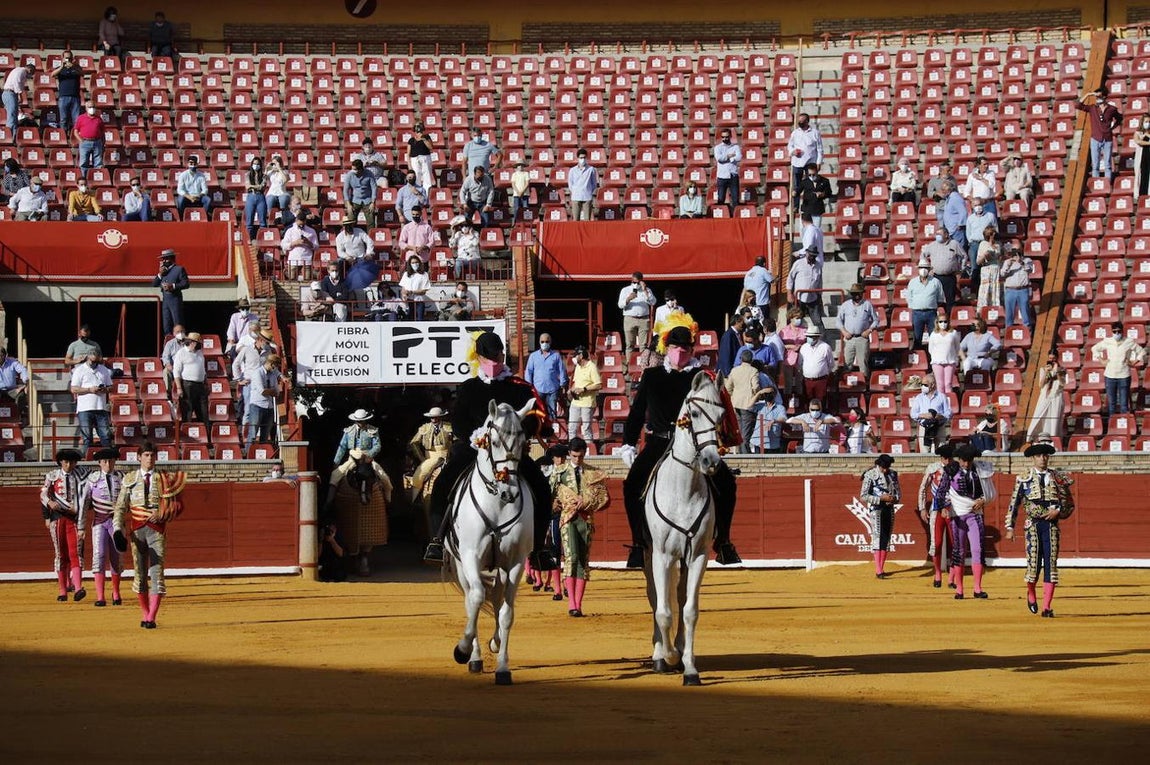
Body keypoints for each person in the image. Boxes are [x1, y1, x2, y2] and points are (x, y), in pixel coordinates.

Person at [423, 331, 559, 571]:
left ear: (503, 356)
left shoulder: (519, 388)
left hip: (510, 452)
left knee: (541, 486)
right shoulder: (468, 388)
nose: (495, 361)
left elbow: (533, 418)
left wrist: (518, 434)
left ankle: (539, 548)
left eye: (498, 356)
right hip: (474, 448)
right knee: (443, 482)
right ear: (479, 358)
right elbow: (459, 422)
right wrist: (476, 437)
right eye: (489, 357)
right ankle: (437, 539)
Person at [618, 317, 741, 568]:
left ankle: (723, 541)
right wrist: (628, 443)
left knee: (726, 483)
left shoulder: (700, 377)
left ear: (692, 350)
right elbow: (638, 411)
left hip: (694, 445)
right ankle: (639, 542)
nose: (680, 352)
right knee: (632, 485)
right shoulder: (651, 376)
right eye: (675, 347)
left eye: (685, 348)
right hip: (659, 441)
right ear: (666, 348)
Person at [112, 441, 188, 628]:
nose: (149, 458)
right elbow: (120, 507)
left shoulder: (165, 478)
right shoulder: (129, 478)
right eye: (146, 455)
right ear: (139, 457)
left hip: (157, 530)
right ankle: (145, 613)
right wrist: (117, 529)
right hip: (137, 532)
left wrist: (161, 513)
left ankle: (151, 617)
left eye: (152, 455)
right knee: (140, 573)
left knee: (156, 573)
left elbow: (178, 506)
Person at [1006, 439, 1075, 617]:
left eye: (1045, 455)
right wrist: (1010, 527)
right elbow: (1014, 504)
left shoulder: (1058, 478)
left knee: (1051, 565)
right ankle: (1031, 593)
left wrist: (1057, 511)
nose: (1042, 458)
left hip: (1051, 526)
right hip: (1033, 525)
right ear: (1033, 458)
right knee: (1033, 565)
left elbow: (1069, 505)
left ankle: (1047, 607)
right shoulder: (1024, 478)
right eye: (1039, 456)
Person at [550, 437, 609, 617]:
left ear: (585, 454)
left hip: (586, 519)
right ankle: (571, 604)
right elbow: (549, 496)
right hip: (567, 519)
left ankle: (578, 605)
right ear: (569, 454)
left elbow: (605, 499)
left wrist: (588, 501)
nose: (577, 459)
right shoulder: (559, 472)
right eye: (574, 456)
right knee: (572, 557)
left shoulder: (593, 472)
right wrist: (554, 504)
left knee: (583, 560)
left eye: (581, 456)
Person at [935, 443, 993, 600]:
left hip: (975, 515)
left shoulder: (979, 470)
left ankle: (977, 588)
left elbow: (988, 492)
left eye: (969, 460)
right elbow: (941, 492)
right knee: (959, 552)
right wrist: (943, 507)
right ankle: (959, 589)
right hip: (958, 516)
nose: (966, 464)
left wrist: (983, 500)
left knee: (977, 550)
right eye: (964, 460)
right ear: (959, 459)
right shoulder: (951, 471)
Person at [78, 446, 124, 607]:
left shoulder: (123, 478)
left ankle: (116, 593)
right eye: (105, 461)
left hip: (117, 522)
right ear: (99, 463)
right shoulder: (92, 480)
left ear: (115, 461)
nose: (108, 464)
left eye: (111, 461)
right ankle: (100, 596)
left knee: (116, 557)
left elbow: (130, 500)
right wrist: (81, 527)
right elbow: (84, 504)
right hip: (99, 522)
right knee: (99, 556)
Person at [40, 448, 87, 602]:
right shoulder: (52, 476)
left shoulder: (81, 475)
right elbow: (43, 495)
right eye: (66, 462)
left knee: (75, 553)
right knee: (61, 554)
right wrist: (48, 510)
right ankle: (62, 591)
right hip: (58, 518)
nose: (69, 465)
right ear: (60, 462)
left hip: (74, 519)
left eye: (72, 462)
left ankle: (78, 587)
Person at [918, 443, 956, 588]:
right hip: (936, 509)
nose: (948, 461)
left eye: (950, 458)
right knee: (937, 543)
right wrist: (922, 508)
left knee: (955, 544)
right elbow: (923, 488)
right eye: (945, 458)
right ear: (941, 458)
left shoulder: (957, 469)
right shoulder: (933, 468)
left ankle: (952, 578)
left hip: (954, 509)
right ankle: (938, 573)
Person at [1091, 322, 1145, 417]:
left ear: (1122, 331)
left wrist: (1133, 362)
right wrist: (1101, 360)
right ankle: (1111, 424)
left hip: (1124, 375)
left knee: (1124, 404)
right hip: (1110, 375)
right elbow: (1094, 348)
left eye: (1119, 331)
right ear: (1111, 331)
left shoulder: (1129, 341)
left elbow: (1142, 351)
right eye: (1114, 331)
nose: (1117, 333)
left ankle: (1123, 424)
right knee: (1111, 404)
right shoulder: (1107, 341)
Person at [861, 454, 901, 578]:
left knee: (886, 538)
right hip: (876, 509)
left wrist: (894, 499)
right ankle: (878, 570)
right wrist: (881, 499)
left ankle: (881, 568)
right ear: (879, 465)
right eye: (884, 467)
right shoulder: (870, 474)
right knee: (877, 536)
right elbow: (863, 496)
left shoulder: (893, 474)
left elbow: (898, 493)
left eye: (887, 467)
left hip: (889, 509)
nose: (885, 470)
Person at [408, 406, 455, 500]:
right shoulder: (424, 428)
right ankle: (414, 499)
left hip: (446, 456)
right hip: (430, 458)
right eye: (432, 417)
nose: (434, 419)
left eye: (436, 417)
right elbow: (414, 443)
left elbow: (458, 441)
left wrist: (452, 453)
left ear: (440, 417)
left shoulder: (449, 427)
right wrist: (421, 458)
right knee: (418, 476)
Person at [70, 349, 112, 451]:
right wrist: (89, 390)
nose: (94, 363)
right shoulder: (79, 370)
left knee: (106, 436)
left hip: (101, 407)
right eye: (92, 361)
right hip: (85, 408)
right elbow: (74, 389)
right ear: (88, 358)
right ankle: (87, 457)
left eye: (96, 361)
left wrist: (104, 389)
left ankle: (108, 457)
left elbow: (111, 387)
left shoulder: (104, 369)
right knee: (87, 437)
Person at [1077, 85, 1122, 180]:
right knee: (1095, 165)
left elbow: (1119, 118)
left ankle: (1108, 183)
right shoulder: (1092, 108)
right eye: (1096, 96)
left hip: (1107, 138)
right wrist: (1088, 95)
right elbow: (1078, 105)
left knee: (1107, 164)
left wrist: (1112, 127)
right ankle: (1095, 183)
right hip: (1095, 138)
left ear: (1104, 96)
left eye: (1099, 96)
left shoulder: (1112, 109)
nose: (1097, 98)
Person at [725, 349, 765, 453]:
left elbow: (728, 387)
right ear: (751, 360)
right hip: (748, 403)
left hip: (736, 403)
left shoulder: (734, 370)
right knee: (746, 434)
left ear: (741, 359)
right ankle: (745, 455)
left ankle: (739, 453)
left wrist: (734, 396)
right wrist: (757, 395)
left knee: (739, 431)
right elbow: (755, 386)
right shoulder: (753, 371)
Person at [838, 283, 880, 377]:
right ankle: (847, 382)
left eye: (858, 293)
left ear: (862, 293)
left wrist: (869, 330)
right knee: (847, 363)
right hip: (849, 338)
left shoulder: (867, 304)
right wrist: (844, 332)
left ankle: (864, 382)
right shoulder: (845, 305)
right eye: (854, 293)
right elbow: (838, 321)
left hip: (862, 338)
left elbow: (876, 320)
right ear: (851, 294)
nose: (856, 295)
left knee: (863, 363)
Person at [525, 333, 568, 421]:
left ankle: (552, 428)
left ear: (550, 342)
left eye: (547, 341)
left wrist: (562, 384)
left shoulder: (556, 355)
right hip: (538, 389)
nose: (544, 343)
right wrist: (529, 385)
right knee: (538, 413)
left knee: (552, 414)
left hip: (552, 390)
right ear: (539, 342)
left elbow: (562, 370)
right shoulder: (533, 356)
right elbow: (529, 371)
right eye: (542, 341)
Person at [1028, 351, 1069, 441]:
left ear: (1057, 358)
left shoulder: (1062, 369)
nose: (1052, 360)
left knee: (1054, 419)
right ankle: (1035, 437)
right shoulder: (1043, 369)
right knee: (1040, 415)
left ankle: (1054, 439)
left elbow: (1063, 384)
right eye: (1050, 358)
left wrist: (1057, 372)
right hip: (1045, 396)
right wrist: (1047, 373)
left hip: (1056, 396)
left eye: (1053, 358)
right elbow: (1041, 385)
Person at [244, 354, 281, 451]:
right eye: (276, 365)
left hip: (269, 406)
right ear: (272, 364)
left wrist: (270, 391)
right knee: (253, 433)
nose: (276, 368)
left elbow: (277, 392)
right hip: (257, 405)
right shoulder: (257, 373)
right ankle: (248, 453)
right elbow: (262, 391)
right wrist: (271, 391)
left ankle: (262, 454)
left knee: (265, 434)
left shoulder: (272, 374)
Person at [787, 112, 822, 210]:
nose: (800, 123)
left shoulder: (815, 133)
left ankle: (808, 204)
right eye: (799, 121)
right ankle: (796, 205)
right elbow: (790, 145)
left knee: (810, 184)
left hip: (810, 162)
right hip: (797, 162)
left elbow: (820, 149)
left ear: (807, 121)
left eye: (802, 121)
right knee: (796, 185)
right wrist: (792, 152)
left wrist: (819, 162)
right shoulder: (795, 133)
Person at [922, 229, 963, 312]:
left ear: (946, 235)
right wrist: (928, 268)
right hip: (936, 277)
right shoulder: (932, 245)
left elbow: (964, 256)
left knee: (949, 300)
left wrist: (961, 268)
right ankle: (937, 318)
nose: (937, 236)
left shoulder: (954, 244)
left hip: (950, 277)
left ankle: (949, 317)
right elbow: (922, 255)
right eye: (936, 234)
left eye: (939, 234)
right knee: (936, 299)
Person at [906, 260, 945, 348]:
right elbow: (909, 297)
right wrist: (915, 306)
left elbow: (940, 297)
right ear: (918, 269)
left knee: (934, 337)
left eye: (926, 268)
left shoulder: (936, 282)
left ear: (929, 269)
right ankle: (918, 354)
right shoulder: (912, 282)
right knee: (917, 337)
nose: (923, 270)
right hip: (917, 313)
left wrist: (932, 305)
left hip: (931, 313)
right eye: (921, 268)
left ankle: (933, 354)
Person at [172, 332, 208, 424]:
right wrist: (179, 387)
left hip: (200, 385)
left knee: (203, 413)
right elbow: (176, 371)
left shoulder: (200, 353)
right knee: (187, 413)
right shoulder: (181, 353)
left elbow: (203, 369)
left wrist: (206, 382)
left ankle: (205, 431)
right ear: (193, 343)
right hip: (187, 385)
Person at [910, 374, 951, 452]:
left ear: (932, 385)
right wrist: (924, 415)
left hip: (939, 426)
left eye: (925, 385)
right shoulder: (919, 397)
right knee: (924, 452)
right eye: (922, 384)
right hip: (924, 427)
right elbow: (913, 414)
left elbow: (948, 412)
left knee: (941, 451)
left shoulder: (942, 397)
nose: (923, 386)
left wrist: (941, 416)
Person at [567, 346, 601, 441]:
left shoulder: (592, 367)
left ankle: (589, 448)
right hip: (576, 402)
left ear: (581, 356)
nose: (574, 358)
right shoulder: (578, 367)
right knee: (571, 428)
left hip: (587, 403)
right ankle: (572, 447)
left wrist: (584, 389)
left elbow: (599, 385)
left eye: (576, 355)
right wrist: (571, 390)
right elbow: (576, 382)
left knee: (586, 429)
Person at [618, 272, 657, 352]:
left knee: (643, 345)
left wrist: (645, 290)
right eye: (634, 282)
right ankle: (629, 360)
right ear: (631, 280)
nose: (636, 284)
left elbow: (653, 302)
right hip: (630, 319)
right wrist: (628, 299)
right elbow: (620, 305)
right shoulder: (625, 290)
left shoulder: (647, 290)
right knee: (629, 344)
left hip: (643, 319)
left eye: (638, 283)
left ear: (641, 281)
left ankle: (642, 360)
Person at [153, 249, 188, 335]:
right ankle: (168, 340)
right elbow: (154, 284)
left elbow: (186, 284)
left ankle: (180, 340)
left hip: (175, 299)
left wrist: (173, 286)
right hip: (165, 300)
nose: (164, 261)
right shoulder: (163, 271)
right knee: (166, 324)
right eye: (163, 259)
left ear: (172, 258)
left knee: (177, 323)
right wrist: (160, 274)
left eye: (166, 258)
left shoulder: (179, 269)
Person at [787, 249, 824, 329]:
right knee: (797, 320)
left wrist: (820, 296)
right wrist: (789, 293)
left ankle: (822, 336)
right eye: (810, 255)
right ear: (806, 253)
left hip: (813, 298)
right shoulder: (798, 263)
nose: (812, 257)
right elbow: (790, 278)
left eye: (814, 256)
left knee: (818, 321)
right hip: (799, 298)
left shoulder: (818, 266)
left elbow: (820, 282)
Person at [798, 326, 834, 407]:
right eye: (808, 336)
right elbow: (800, 363)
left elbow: (831, 363)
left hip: (821, 380)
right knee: (808, 401)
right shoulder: (804, 347)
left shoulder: (825, 347)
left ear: (817, 337)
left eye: (811, 337)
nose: (809, 338)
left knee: (821, 401)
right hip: (807, 380)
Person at [778, 307, 808, 400]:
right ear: (791, 318)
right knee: (788, 382)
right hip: (788, 359)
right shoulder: (783, 331)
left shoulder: (804, 330)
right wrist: (790, 346)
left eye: (800, 318)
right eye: (796, 318)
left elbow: (808, 343)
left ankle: (800, 401)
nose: (799, 320)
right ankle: (787, 401)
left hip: (801, 358)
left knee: (800, 382)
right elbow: (780, 345)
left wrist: (801, 346)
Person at [926, 316, 961, 394]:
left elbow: (957, 347)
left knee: (948, 383)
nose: (943, 323)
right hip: (937, 362)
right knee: (940, 384)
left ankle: (948, 400)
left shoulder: (953, 333)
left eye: (945, 321)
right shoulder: (934, 334)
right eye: (941, 321)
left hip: (950, 362)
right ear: (937, 323)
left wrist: (953, 356)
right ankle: (940, 401)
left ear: (948, 322)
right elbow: (930, 349)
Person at [52, 50, 84, 134]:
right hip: (63, 96)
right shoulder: (60, 68)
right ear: (63, 58)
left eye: (70, 58)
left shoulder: (76, 67)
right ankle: (63, 136)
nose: (68, 60)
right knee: (63, 119)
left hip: (75, 96)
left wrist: (73, 66)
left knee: (76, 119)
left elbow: (82, 73)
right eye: (66, 58)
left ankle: (74, 136)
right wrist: (61, 67)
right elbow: (52, 74)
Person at [280, 212, 318, 282]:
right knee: (292, 282)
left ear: (305, 221)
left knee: (307, 282)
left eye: (302, 224)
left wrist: (308, 242)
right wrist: (295, 243)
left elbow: (316, 247)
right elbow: (284, 245)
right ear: (296, 220)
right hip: (294, 259)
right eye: (299, 224)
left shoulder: (311, 231)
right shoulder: (290, 231)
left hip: (306, 260)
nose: (301, 226)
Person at [713, 127, 742, 214]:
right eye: (723, 137)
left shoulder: (735, 147)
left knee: (735, 199)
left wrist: (729, 158)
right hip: (722, 176)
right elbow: (719, 159)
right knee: (721, 199)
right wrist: (730, 156)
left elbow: (739, 157)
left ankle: (735, 216)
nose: (724, 139)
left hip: (733, 175)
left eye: (726, 137)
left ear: (730, 136)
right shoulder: (718, 147)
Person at [73, 101, 105, 179]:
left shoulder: (99, 119)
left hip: (97, 142)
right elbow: (75, 131)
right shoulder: (81, 118)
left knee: (98, 163)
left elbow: (102, 131)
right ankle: (84, 179)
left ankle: (97, 179)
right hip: (85, 142)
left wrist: (103, 142)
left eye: (93, 107)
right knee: (84, 163)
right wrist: (81, 140)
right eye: (90, 107)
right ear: (86, 108)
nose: (92, 109)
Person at [2, 62, 36, 135]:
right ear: (30, 69)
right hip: (10, 93)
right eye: (32, 73)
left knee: (14, 116)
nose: (31, 75)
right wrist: (19, 95)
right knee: (12, 115)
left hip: (10, 94)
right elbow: (16, 83)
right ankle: (9, 135)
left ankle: (13, 135)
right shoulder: (22, 71)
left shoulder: (19, 70)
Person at [567, 148, 598, 221]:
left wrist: (589, 190)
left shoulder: (591, 169)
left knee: (587, 220)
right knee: (576, 220)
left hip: (587, 197)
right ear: (578, 158)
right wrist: (575, 191)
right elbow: (570, 183)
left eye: (584, 157)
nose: (582, 159)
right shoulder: (572, 170)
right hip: (576, 197)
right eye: (581, 158)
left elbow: (594, 183)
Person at [398, 254, 431, 321]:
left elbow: (423, 291)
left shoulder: (424, 274)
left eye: (416, 262)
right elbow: (403, 288)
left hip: (419, 301)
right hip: (409, 301)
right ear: (410, 264)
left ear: (419, 263)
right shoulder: (406, 274)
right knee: (410, 320)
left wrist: (412, 292)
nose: (415, 264)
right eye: (412, 263)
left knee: (420, 320)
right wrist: (404, 295)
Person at [938, 180, 968, 249]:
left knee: (959, 250)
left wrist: (960, 225)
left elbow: (963, 212)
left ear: (949, 189)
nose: (942, 191)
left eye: (944, 189)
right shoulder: (949, 198)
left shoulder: (955, 198)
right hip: (950, 230)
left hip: (956, 230)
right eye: (942, 189)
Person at [316, 517, 348, 583]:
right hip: (324, 565)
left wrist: (332, 540)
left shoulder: (339, 537)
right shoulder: (320, 539)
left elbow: (341, 554)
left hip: (336, 566)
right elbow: (317, 555)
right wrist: (321, 540)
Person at [242, 157, 267, 239]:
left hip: (260, 197)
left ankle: (263, 239)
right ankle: (249, 239)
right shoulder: (247, 174)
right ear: (252, 164)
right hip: (251, 196)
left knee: (263, 221)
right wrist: (257, 186)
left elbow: (262, 187)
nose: (256, 165)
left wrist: (253, 186)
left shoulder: (263, 176)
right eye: (254, 164)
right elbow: (247, 186)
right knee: (249, 221)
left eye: (258, 164)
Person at [0, 346, 29, 416]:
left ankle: (18, 415)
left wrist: (25, 380)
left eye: (1, 355)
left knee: (21, 395)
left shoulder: (12, 362)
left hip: (12, 390)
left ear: (5, 355)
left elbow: (23, 369)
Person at [406, 121, 435, 192]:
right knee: (416, 176)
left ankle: (427, 193)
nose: (418, 128)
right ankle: (417, 194)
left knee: (427, 176)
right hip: (415, 159)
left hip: (425, 158)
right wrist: (409, 165)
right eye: (417, 126)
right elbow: (408, 153)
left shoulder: (426, 137)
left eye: (420, 126)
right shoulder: (411, 140)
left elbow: (431, 147)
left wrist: (423, 139)